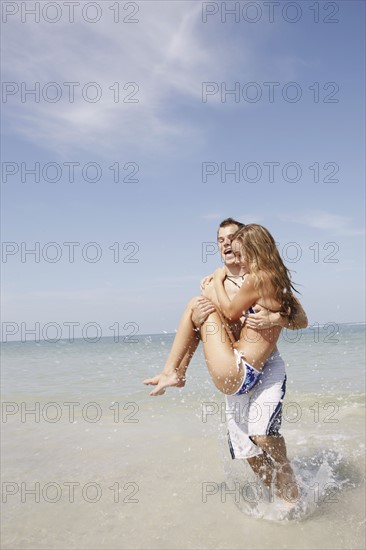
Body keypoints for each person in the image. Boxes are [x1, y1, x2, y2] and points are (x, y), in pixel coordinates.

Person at [144, 220, 307, 504]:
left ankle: (172, 372)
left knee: (264, 435)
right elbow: (205, 329)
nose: (227, 245)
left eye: (233, 239)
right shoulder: (230, 283)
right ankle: (279, 503)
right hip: (236, 364)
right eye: (221, 240)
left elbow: (298, 319)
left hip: (250, 367)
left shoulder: (257, 278)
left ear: (249, 246)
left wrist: (275, 317)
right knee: (246, 451)